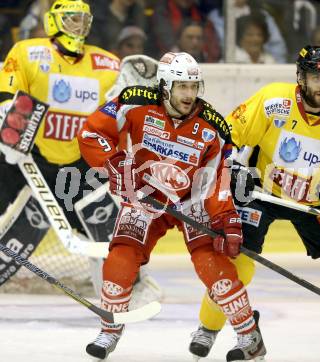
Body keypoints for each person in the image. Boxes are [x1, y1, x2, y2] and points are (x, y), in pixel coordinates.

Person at [190, 45, 320, 362]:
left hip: (309, 199)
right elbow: (228, 134)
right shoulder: (273, 101)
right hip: (260, 192)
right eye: (315, 78)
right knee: (238, 264)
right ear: (300, 77)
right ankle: (209, 327)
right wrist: (234, 168)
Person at [78, 51, 267, 361]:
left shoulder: (213, 127)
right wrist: (114, 165)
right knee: (120, 259)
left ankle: (249, 334)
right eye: (182, 87)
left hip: (191, 201)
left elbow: (218, 179)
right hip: (145, 194)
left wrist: (226, 220)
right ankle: (109, 330)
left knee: (214, 267)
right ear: (164, 86)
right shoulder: (134, 102)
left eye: (194, 87)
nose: (189, 95)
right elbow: (91, 132)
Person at [0, 0, 119, 284]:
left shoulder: (108, 64)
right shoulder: (28, 52)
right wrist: (6, 124)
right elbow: (7, 94)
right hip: (28, 155)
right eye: (71, 19)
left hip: (75, 163)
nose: (79, 26)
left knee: (106, 228)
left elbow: (117, 116)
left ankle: (123, 283)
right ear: (53, 21)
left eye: (83, 20)